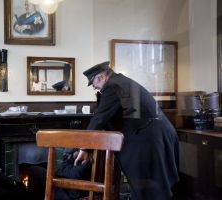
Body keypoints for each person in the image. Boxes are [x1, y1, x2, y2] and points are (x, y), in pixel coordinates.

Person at [74, 61, 179, 200]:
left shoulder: (113, 86)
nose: (93, 86)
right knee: (155, 183)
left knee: (148, 185)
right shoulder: (120, 82)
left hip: (149, 137)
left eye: (93, 82)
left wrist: (84, 148)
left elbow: (99, 119)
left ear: (102, 77)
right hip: (156, 133)